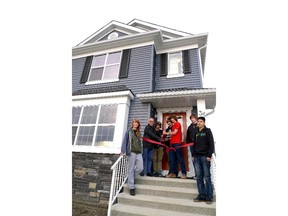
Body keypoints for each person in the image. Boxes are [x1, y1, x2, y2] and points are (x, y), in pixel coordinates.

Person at [192, 116, 215, 204]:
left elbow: (211, 144)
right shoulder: (196, 132)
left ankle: (209, 196)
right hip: (197, 157)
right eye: (198, 121)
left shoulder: (208, 131)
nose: (199, 123)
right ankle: (201, 195)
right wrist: (193, 155)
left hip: (205, 157)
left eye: (200, 121)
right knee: (199, 177)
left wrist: (209, 155)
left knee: (207, 177)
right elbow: (194, 144)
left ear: (204, 123)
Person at [121, 119, 144, 196]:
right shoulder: (129, 131)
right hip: (131, 152)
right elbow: (125, 140)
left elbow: (140, 142)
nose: (136, 124)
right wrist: (123, 151)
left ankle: (130, 176)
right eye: (134, 123)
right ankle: (131, 188)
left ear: (138, 124)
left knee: (140, 168)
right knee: (131, 168)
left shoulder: (139, 132)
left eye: (137, 123)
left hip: (139, 152)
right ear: (132, 124)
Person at [186, 114, 198, 179]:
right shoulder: (190, 127)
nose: (192, 119)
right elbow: (187, 136)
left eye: (193, 118)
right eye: (191, 118)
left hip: (199, 145)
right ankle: (196, 174)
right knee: (194, 159)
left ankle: (201, 174)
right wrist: (188, 143)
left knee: (199, 159)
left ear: (196, 118)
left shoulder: (199, 125)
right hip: (191, 145)